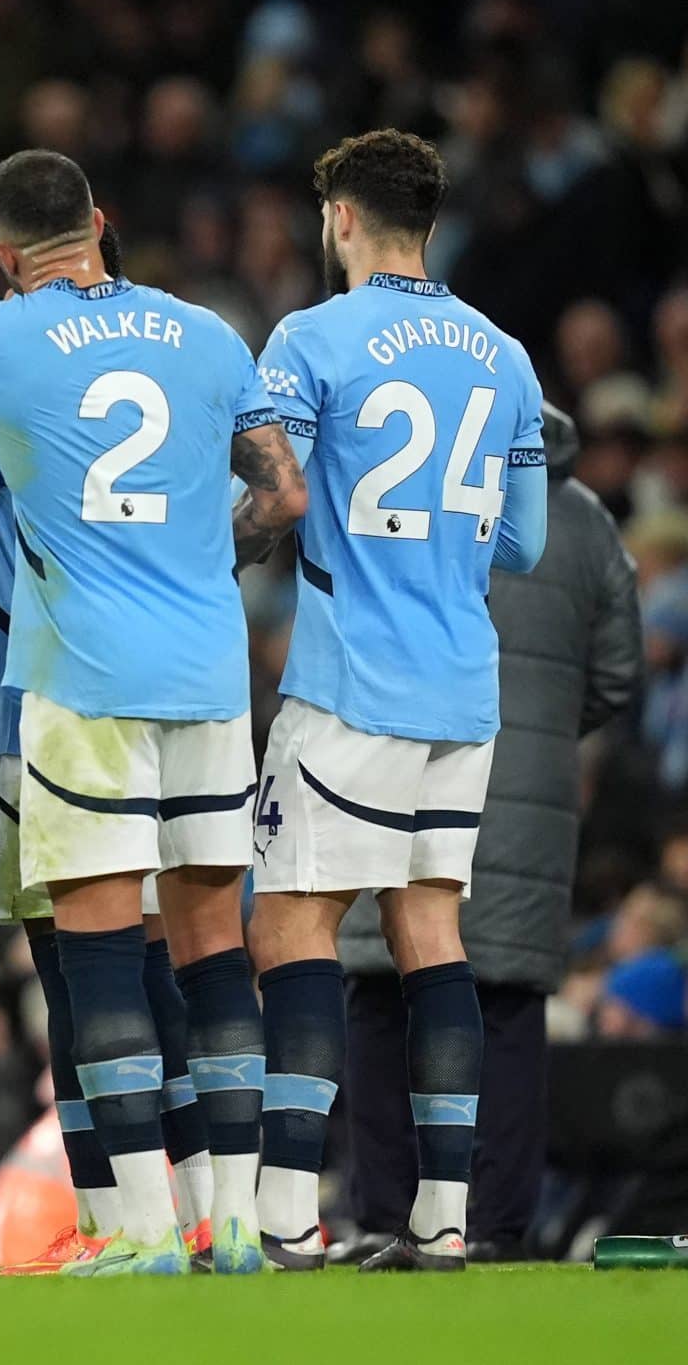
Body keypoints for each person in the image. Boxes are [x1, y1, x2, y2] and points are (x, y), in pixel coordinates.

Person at [0, 150, 307, 1275]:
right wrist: (201, 555)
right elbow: (282, 492)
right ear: (98, 219)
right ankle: (234, 1225)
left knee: (98, 952)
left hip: (83, 679)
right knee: (211, 949)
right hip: (209, 673)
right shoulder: (207, 332)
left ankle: (135, 1230)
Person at [0, 227, 218, 1272]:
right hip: (162, 691)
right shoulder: (174, 370)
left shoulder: (15, 404)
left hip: (39, 709)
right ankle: (179, 1211)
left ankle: (129, 1218)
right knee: (135, 965)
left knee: (85, 972)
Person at [246, 128, 549, 1272]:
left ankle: (283, 1216)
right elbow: (518, 543)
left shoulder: (310, 337)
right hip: (460, 686)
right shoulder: (503, 356)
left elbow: (274, 491)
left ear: (339, 219)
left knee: (291, 925)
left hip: (349, 684)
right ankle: (440, 1219)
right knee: (428, 931)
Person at [334, 402, 634, 1262]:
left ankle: (384, 1214)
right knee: (505, 1006)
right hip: (529, 801)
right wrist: (541, 738)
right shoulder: (587, 523)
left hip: (401, 768)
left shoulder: (399, 491)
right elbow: (618, 673)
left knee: (381, 993)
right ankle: (495, 1225)